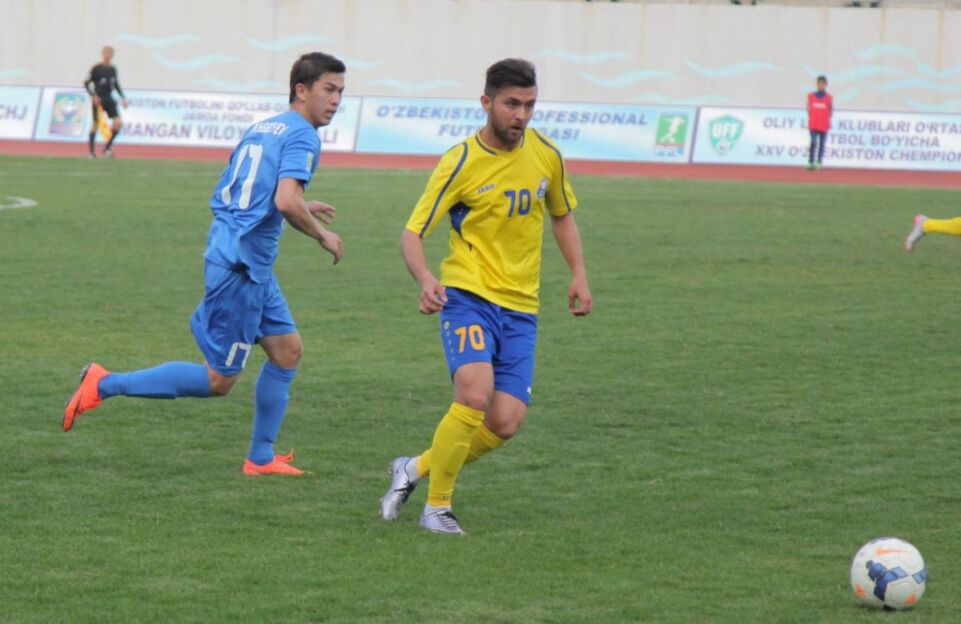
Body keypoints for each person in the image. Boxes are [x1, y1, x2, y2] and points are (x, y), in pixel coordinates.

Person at [63, 52, 346, 476]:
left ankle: (261, 458)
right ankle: (103, 383)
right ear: (302, 91)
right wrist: (322, 234)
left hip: (243, 259)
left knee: (287, 352)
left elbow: (251, 190)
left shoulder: (263, 127)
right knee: (219, 380)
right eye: (329, 89)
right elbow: (286, 201)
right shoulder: (304, 136)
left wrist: (302, 204)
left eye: (341, 91)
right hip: (239, 268)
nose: (336, 100)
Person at [379, 58, 593, 535]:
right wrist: (425, 278)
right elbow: (412, 234)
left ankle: (412, 469)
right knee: (474, 394)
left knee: (505, 421)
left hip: (522, 305)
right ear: (486, 102)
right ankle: (437, 508)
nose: (521, 115)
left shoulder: (547, 155)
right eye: (512, 104)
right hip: (468, 294)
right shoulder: (460, 161)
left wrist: (578, 274)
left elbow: (561, 214)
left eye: (530, 105)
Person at [84, 46, 128, 158]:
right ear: (102, 54)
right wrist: (93, 95)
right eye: (106, 53)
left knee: (118, 123)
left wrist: (123, 97)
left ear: (112, 55)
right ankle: (91, 152)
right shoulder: (96, 68)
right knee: (95, 124)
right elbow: (86, 83)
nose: (108, 55)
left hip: (108, 98)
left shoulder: (113, 69)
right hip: (98, 99)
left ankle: (107, 147)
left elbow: (116, 84)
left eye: (110, 53)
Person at [806, 75, 833, 171]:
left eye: (823, 84)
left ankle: (819, 162)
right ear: (817, 84)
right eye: (819, 83)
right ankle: (810, 161)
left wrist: (826, 119)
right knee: (813, 142)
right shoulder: (811, 96)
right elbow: (808, 109)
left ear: (825, 85)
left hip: (823, 125)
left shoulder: (829, 97)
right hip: (814, 124)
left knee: (822, 143)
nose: (821, 85)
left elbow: (830, 110)